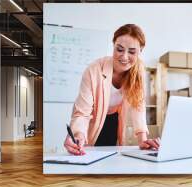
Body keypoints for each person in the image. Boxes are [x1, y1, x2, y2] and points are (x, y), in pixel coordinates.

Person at [64, 24, 160, 155]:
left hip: (114, 119)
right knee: (88, 155)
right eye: (119, 49)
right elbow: (82, 112)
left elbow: (139, 106)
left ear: (140, 51)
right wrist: (78, 133)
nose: (124, 57)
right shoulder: (93, 70)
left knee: (111, 158)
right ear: (113, 45)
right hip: (93, 120)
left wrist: (142, 140)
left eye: (132, 52)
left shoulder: (139, 72)